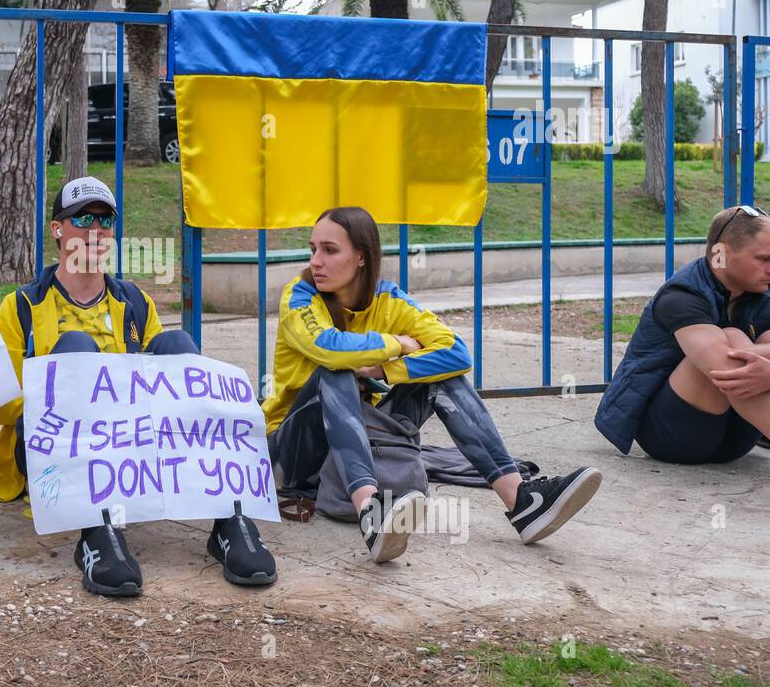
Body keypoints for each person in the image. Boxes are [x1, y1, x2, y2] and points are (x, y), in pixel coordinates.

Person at [0, 176, 277, 596]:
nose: (95, 230)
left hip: (130, 450)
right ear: (57, 230)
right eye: (82, 218)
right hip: (56, 456)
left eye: (105, 220)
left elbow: (171, 387)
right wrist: (57, 392)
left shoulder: (135, 303)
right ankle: (95, 532)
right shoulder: (23, 306)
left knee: (177, 344)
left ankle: (228, 520)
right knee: (75, 349)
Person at [261, 206, 602, 563]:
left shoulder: (389, 299)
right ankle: (370, 511)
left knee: (443, 377)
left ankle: (521, 501)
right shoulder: (299, 296)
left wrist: (386, 371)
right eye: (313, 249)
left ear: (361, 256)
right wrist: (398, 345)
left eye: (330, 250)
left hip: (352, 441)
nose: (316, 261)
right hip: (291, 456)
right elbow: (329, 349)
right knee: (337, 370)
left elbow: (457, 353)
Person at [596, 204, 770, 464]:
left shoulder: (761, 294)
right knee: (733, 340)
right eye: (764, 259)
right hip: (674, 436)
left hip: (735, 440)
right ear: (721, 253)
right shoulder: (682, 295)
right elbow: (725, 365)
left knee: (739, 342)